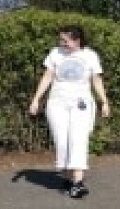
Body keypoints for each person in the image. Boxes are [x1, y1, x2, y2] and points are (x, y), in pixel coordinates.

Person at [28, 25, 110, 198]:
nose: (62, 43)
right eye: (61, 40)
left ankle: (78, 182)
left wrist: (104, 102)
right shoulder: (55, 54)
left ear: (76, 40)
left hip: (81, 103)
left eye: (65, 40)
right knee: (62, 140)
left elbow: (96, 80)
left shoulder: (90, 56)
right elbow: (47, 76)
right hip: (57, 103)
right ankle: (66, 178)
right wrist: (36, 98)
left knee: (78, 139)